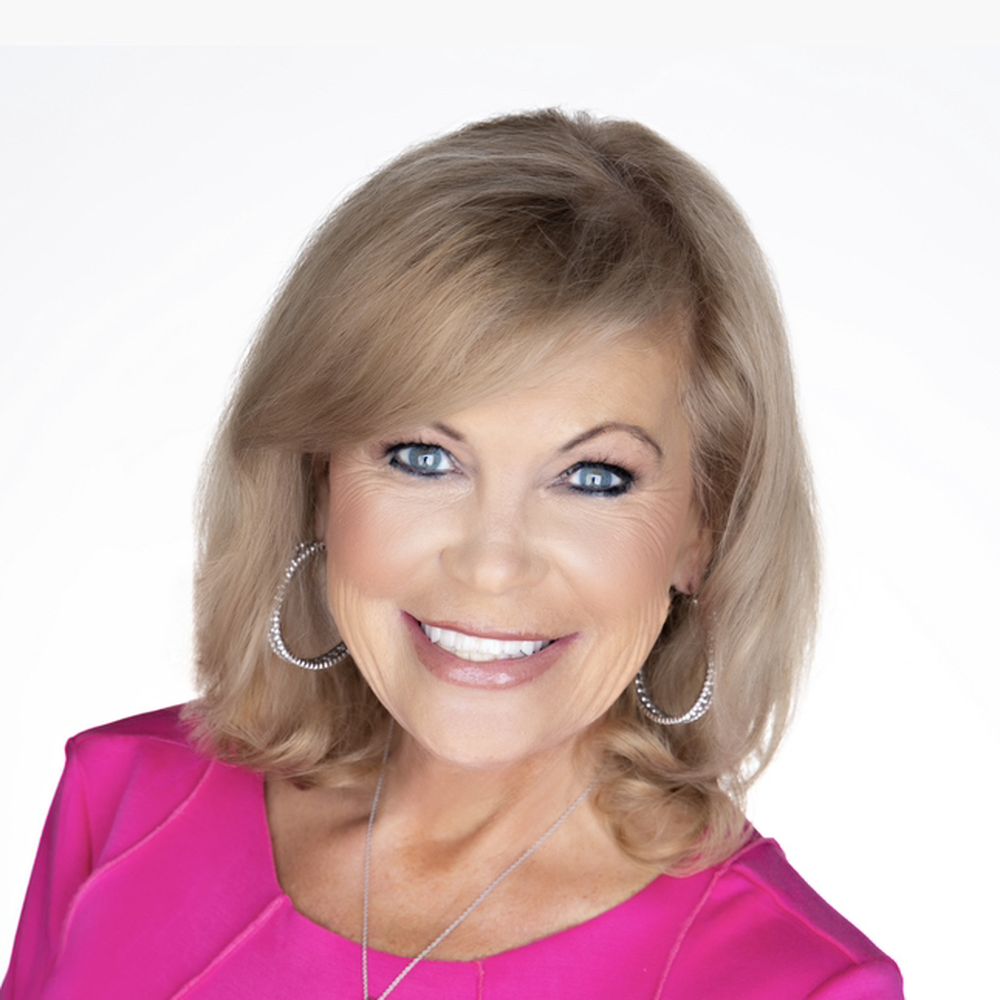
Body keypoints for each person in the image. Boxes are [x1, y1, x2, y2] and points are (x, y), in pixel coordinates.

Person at [1, 108, 905, 999]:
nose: (490, 564)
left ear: (703, 532)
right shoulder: (122, 801)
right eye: (423, 458)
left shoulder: (799, 985)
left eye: (593, 477)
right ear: (319, 479)